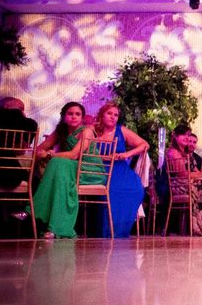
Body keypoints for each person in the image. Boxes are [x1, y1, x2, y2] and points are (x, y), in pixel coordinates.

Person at [30, 102, 107, 238]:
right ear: (63, 116)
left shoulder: (87, 131)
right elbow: (40, 149)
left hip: (89, 170)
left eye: (78, 114)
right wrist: (39, 153)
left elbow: (74, 155)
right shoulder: (60, 131)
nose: (74, 117)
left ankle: (32, 211)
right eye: (70, 114)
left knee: (57, 163)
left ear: (82, 117)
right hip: (68, 168)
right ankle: (53, 229)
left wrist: (48, 154)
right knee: (59, 172)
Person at [91, 102, 148, 238]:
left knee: (136, 189)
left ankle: (121, 230)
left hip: (121, 169)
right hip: (100, 169)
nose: (113, 117)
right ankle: (107, 230)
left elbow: (144, 144)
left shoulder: (121, 130)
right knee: (111, 190)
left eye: (116, 115)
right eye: (109, 113)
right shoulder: (92, 130)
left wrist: (126, 155)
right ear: (101, 115)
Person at [164, 124, 202, 236]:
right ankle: (198, 226)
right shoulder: (173, 153)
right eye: (183, 135)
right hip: (178, 185)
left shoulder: (188, 154)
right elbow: (182, 174)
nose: (187, 138)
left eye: (188, 135)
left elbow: (196, 170)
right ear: (176, 137)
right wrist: (199, 175)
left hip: (189, 181)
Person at [0, 96, 38, 189]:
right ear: (7, 106)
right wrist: (26, 141)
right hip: (4, 172)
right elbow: (32, 124)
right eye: (21, 109)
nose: (23, 112)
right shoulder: (15, 116)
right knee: (36, 180)